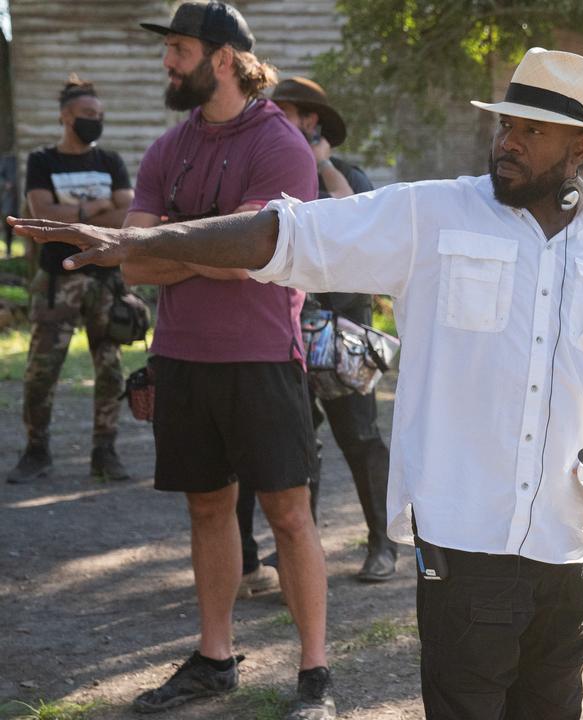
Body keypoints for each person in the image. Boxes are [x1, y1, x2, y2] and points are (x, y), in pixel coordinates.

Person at [10, 46, 583, 720]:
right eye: (506, 124)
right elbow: (289, 233)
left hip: (572, 553)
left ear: (581, 143)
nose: (508, 142)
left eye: (532, 130)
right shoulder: (434, 217)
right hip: (468, 550)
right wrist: (151, 242)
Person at [122, 3, 333, 717]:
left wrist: (169, 244)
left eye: (178, 49)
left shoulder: (280, 146)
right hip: (180, 356)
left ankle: (315, 675)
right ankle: (215, 658)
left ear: (222, 59)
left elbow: (252, 261)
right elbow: (130, 262)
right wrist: (200, 250)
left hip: (261, 357)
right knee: (208, 508)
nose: (167, 62)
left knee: (289, 515)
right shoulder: (165, 149)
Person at [232, 76, 397, 593]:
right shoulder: (270, 172)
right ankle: (302, 563)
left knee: (361, 440)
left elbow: (365, 230)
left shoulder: (345, 173)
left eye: (289, 112)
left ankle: (383, 544)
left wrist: (320, 163)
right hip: (285, 333)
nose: (278, 118)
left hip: (343, 334)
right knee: (299, 450)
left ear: (312, 121)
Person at [5, 76, 133, 485]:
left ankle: (104, 452)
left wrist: (71, 213)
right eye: (87, 115)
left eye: (99, 115)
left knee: (111, 370)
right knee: (42, 371)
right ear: (65, 117)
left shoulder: (110, 161)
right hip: (58, 280)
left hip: (107, 281)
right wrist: (95, 208)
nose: (95, 121)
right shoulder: (44, 160)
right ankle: (36, 450)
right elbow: (39, 215)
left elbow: (126, 218)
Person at [1, 152, 17, 257]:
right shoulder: (6, 159)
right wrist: (5, 183)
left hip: (22, 198)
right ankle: (8, 251)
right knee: (8, 225)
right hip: (10, 199)